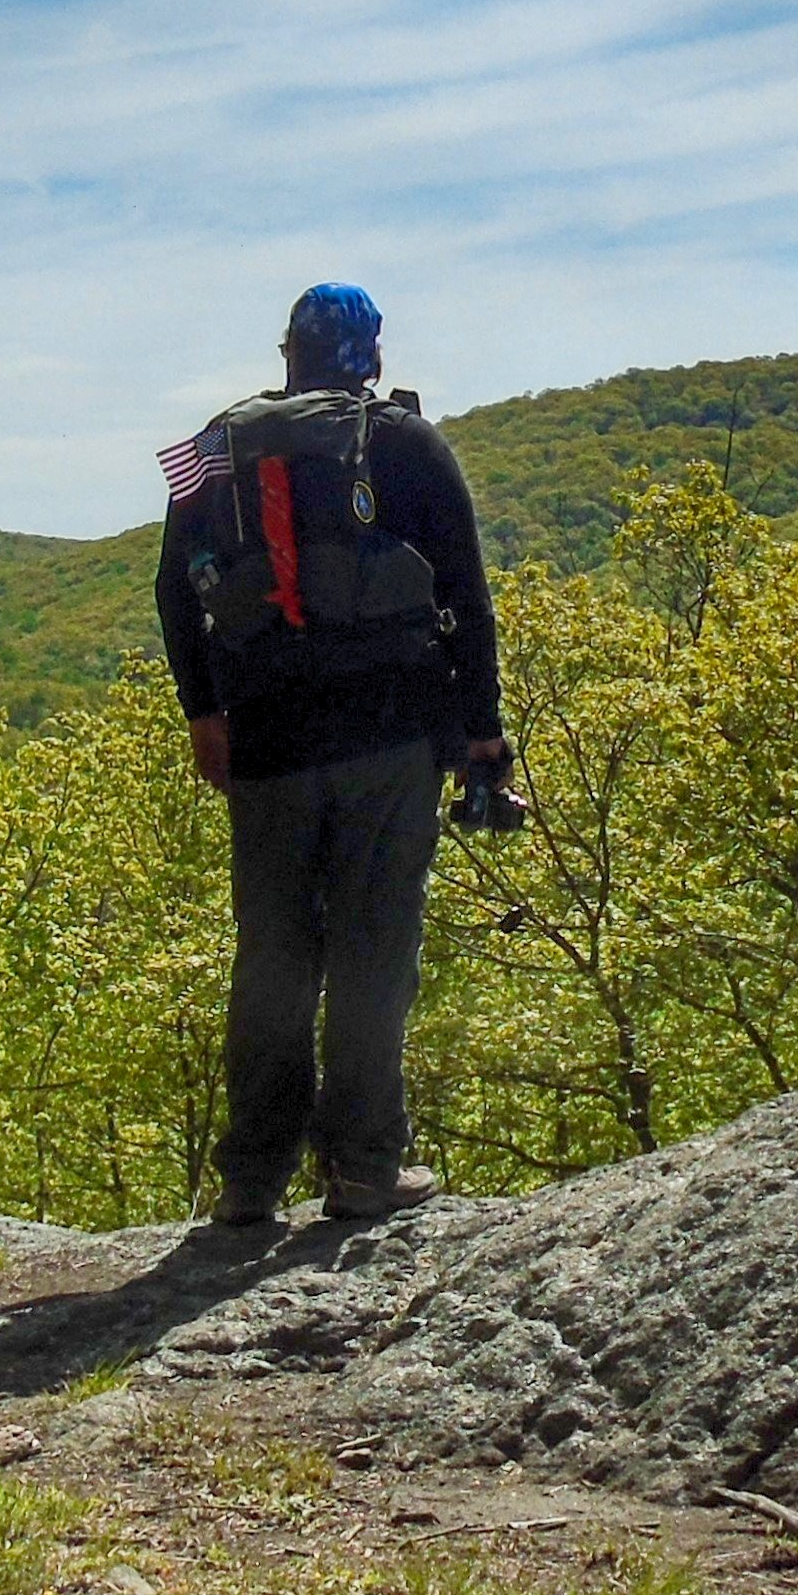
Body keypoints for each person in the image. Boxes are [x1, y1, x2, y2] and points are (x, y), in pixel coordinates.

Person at [153, 282, 509, 1227]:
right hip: (389, 739)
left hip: (264, 738)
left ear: (289, 353)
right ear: (371, 352)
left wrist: (204, 714)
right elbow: (467, 598)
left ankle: (251, 1179)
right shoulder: (408, 443)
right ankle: (362, 1171)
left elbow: (172, 592)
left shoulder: (217, 447)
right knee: (373, 952)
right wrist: (483, 735)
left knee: (272, 955)